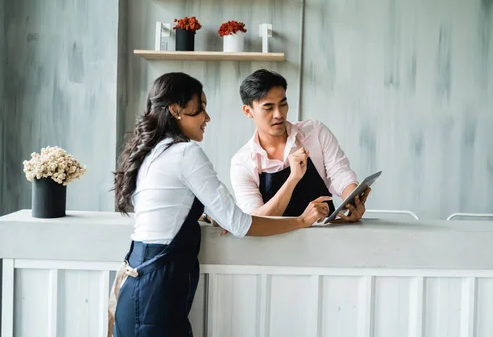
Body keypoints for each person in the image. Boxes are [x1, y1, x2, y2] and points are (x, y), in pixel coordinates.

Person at [109, 72, 329, 337]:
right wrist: (301, 221)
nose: (207, 117)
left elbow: (168, 212)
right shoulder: (184, 153)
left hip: (141, 284)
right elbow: (240, 223)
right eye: (200, 108)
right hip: (155, 293)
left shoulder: (155, 151)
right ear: (176, 110)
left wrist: (205, 216)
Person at [230, 69, 370, 221]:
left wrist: (352, 204)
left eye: (283, 104)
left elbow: (340, 175)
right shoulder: (242, 162)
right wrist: (293, 178)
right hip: (273, 243)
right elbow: (254, 220)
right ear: (248, 111)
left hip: (326, 237)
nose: (278, 114)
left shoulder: (315, 132)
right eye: (268, 108)